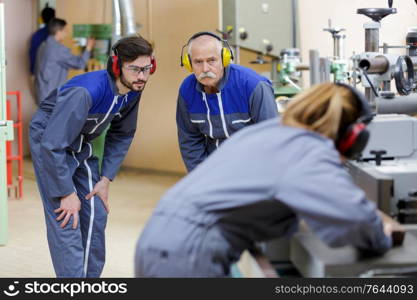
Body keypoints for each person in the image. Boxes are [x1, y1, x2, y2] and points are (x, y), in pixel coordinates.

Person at [135, 83, 397, 277]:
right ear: (353, 137)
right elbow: (354, 220)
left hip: (158, 241)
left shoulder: (267, 132)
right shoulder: (308, 150)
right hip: (187, 255)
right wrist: (382, 234)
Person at [29, 35, 156, 278]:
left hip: (80, 141)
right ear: (118, 66)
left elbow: (123, 133)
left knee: (96, 212)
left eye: (147, 69)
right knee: (68, 217)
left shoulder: (132, 90)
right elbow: (53, 144)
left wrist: (106, 178)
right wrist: (65, 193)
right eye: (135, 69)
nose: (142, 76)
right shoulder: (85, 91)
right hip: (51, 141)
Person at [177, 32, 278, 172]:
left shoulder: (253, 86)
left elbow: (271, 139)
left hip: (254, 169)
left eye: (211, 60)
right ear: (188, 63)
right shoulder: (187, 90)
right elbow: (190, 140)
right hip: (214, 170)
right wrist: (201, 177)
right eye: (198, 62)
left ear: (224, 59)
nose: (205, 69)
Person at [34, 18, 95, 105]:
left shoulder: (43, 45)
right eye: (65, 30)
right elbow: (79, 64)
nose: (66, 34)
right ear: (58, 31)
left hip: (41, 93)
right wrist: (88, 47)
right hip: (52, 97)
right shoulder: (57, 49)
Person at [29, 4, 55, 75]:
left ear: (42, 18)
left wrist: (32, 70)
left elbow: (32, 54)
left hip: (38, 71)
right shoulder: (54, 35)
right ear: (54, 18)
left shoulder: (37, 35)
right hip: (52, 72)